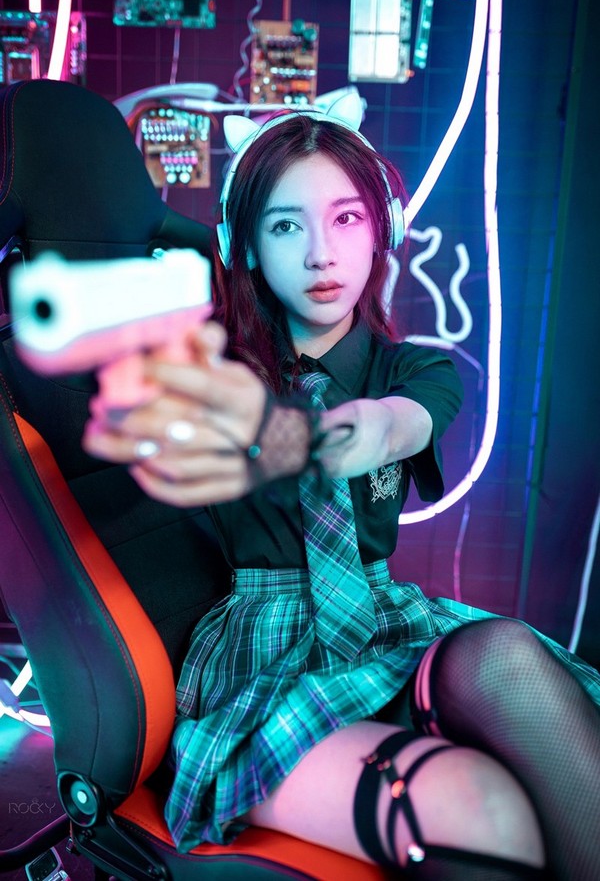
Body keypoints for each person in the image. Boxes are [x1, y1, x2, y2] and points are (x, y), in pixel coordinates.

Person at [84, 93, 600, 880]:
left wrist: (372, 427)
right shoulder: (207, 372)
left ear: (381, 231)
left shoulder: (412, 369)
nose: (321, 254)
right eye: (286, 226)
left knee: (506, 653)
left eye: (347, 219)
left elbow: (399, 424)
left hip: (384, 629)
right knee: (489, 817)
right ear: (245, 245)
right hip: (263, 654)